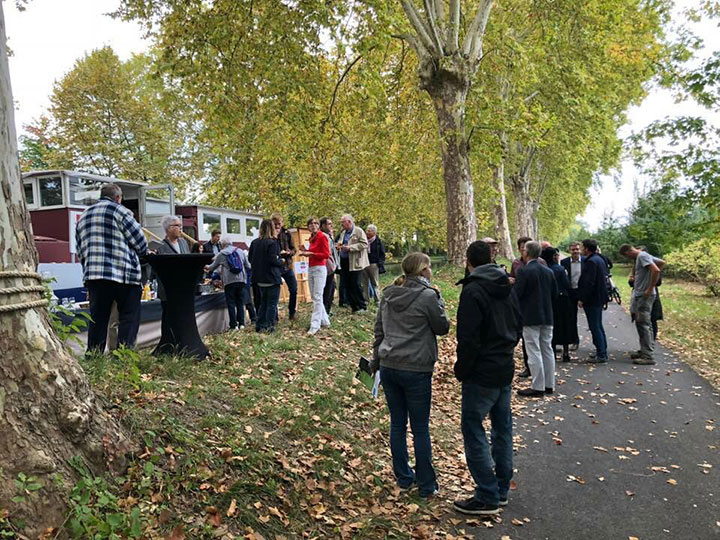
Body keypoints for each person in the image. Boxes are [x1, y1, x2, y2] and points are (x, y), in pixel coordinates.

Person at [371, 253, 450, 498]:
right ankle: (426, 485)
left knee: (397, 424)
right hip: (416, 367)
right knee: (419, 428)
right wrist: (441, 302)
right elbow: (443, 327)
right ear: (424, 270)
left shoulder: (388, 294)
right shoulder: (428, 296)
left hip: (389, 364)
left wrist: (376, 359)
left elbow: (379, 330)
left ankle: (404, 477)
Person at [453, 241, 521, 516]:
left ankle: (487, 493)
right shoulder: (506, 286)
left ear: (468, 261)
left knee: (473, 428)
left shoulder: (473, 291)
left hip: (482, 369)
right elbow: (517, 323)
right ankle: (501, 488)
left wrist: (462, 369)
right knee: (502, 428)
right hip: (504, 364)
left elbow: (468, 338)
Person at [75, 183, 147, 353]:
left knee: (98, 319)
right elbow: (141, 243)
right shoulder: (121, 211)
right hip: (124, 275)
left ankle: (95, 356)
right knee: (128, 317)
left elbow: (80, 250)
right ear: (118, 198)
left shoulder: (84, 216)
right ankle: (123, 356)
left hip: (95, 276)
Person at [514, 241, 557, 397]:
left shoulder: (524, 272)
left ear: (527, 253)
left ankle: (538, 386)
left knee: (534, 351)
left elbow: (517, 295)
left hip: (530, 316)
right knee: (547, 349)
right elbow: (554, 293)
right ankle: (549, 384)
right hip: (547, 315)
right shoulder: (548, 272)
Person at [619, 244, 665, 365]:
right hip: (641, 294)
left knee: (644, 324)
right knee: (643, 324)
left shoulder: (642, 256)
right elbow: (661, 262)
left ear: (627, 253)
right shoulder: (644, 256)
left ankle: (648, 356)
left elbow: (656, 269)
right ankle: (644, 350)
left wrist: (650, 288)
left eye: (626, 256)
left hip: (644, 296)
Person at [154, 215, 191, 344]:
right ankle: (168, 344)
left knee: (183, 317)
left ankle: (183, 342)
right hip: (168, 290)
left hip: (184, 288)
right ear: (168, 228)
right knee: (168, 317)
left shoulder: (183, 243)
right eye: (177, 226)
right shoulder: (160, 246)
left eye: (181, 225)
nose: (180, 228)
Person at [205, 236, 251, 330]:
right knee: (240, 302)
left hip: (229, 282)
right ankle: (241, 324)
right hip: (241, 281)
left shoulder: (222, 254)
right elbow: (248, 266)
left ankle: (233, 326)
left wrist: (205, 266)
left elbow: (212, 267)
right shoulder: (240, 251)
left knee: (231, 303)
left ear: (223, 244)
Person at [577, 239, 610, 363]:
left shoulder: (591, 262)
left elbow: (589, 282)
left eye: (582, 247)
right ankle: (601, 350)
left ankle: (602, 354)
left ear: (586, 248)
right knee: (598, 325)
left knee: (595, 326)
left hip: (593, 299)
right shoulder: (600, 259)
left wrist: (582, 298)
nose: (581, 250)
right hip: (599, 297)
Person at [249, 219, 284, 332]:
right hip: (272, 277)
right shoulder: (272, 242)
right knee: (272, 304)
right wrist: (281, 261)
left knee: (263, 303)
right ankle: (269, 326)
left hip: (259, 278)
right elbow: (273, 260)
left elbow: (250, 259)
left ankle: (259, 325)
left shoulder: (254, 242)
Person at [300, 217, 331, 335]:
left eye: (315, 223)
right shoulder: (311, 238)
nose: (313, 225)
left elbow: (326, 254)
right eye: (310, 224)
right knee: (315, 296)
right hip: (311, 267)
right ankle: (325, 320)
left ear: (318, 225)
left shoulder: (322, 236)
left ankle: (315, 325)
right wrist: (305, 250)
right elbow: (312, 252)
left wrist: (311, 253)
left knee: (317, 296)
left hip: (319, 268)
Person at [542, 247, 574, 363]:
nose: (557, 257)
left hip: (550, 300)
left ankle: (553, 351)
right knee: (564, 325)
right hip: (562, 300)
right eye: (555, 255)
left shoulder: (544, 269)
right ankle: (566, 352)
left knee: (553, 326)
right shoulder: (560, 269)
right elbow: (567, 284)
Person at [336, 214, 369, 313]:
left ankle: (362, 306)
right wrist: (339, 246)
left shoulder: (358, 231)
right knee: (347, 284)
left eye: (343, 222)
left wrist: (350, 248)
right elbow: (341, 242)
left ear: (349, 222)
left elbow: (364, 244)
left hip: (356, 262)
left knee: (356, 284)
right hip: (345, 262)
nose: (342, 224)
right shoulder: (343, 232)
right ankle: (354, 306)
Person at [271, 213, 298, 320]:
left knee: (294, 289)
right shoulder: (270, 235)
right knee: (276, 293)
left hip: (287, 266)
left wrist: (289, 252)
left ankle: (292, 312)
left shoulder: (287, 233)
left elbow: (294, 249)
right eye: (275, 224)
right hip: (276, 267)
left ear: (282, 223)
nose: (277, 226)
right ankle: (275, 316)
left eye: (279, 224)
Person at [560, 242, 584, 351]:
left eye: (577, 249)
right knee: (571, 318)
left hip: (583, 291)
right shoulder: (564, 262)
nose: (575, 251)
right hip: (570, 292)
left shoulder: (585, 261)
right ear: (570, 250)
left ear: (580, 250)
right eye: (573, 249)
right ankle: (575, 340)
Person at [320, 217, 339, 316]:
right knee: (327, 289)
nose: (331, 226)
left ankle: (327, 310)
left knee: (332, 288)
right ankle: (325, 312)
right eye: (329, 224)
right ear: (323, 226)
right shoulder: (323, 236)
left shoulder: (329, 235)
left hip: (332, 265)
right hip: (327, 267)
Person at [362, 224, 386, 303]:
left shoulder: (378, 241)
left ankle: (377, 300)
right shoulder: (363, 240)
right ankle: (366, 299)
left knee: (375, 283)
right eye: (367, 230)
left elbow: (382, 254)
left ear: (374, 232)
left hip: (374, 264)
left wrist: (380, 263)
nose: (367, 232)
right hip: (364, 263)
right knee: (364, 283)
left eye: (369, 231)